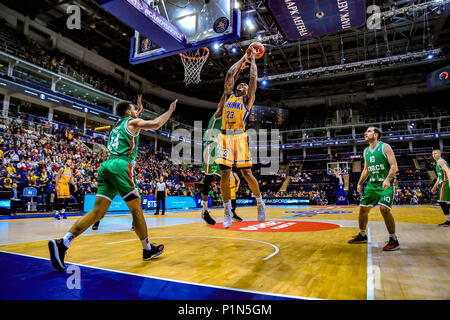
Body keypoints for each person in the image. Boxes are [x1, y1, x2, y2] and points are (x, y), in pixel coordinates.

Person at [48, 95, 177, 272]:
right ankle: (147, 249)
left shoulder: (117, 126)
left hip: (106, 165)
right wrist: (170, 110)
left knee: (97, 213)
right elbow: (156, 124)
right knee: (136, 209)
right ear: (128, 112)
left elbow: (130, 122)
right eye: (133, 109)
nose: (136, 111)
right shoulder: (132, 123)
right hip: (121, 165)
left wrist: (137, 110)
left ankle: (63, 243)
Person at [214, 47, 266, 228]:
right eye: (240, 84)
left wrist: (253, 59)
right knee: (224, 174)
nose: (242, 85)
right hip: (224, 137)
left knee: (246, 173)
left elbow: (253, 79)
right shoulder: (227, 96)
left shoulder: (247, 100)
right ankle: (227, 210)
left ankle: (260, 202)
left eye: (244, 86)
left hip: (240, 137)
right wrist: (243, 57)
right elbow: (230, 73)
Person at [349, 127, 400, 251]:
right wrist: (359, 183)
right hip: (372, 184)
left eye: (369, 131)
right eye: (365, 131)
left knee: (384, 210)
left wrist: (387, 179)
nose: (366, 133)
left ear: (376, 135)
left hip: (386, 182)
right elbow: (366, 170)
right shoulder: (366, 151)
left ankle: (394, 239)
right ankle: (362, 235)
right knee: (363, 210)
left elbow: (394, 166)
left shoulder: (385, 147)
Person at [199, 112, 223, 225]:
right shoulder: (218, 114)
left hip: (218, 148)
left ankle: (229, 210)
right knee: (207, 180)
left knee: (225, 173)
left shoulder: (227, 118)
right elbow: (222, 103)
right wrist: (227, 94)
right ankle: (204, 211)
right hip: (211, 147)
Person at [431, 149, 450, 227]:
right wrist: (435, 187)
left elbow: (448, 171)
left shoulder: (440, 161)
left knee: (442, 202)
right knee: (445, 202)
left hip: (445, 183)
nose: (433, 155)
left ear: (440, 154)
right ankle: (448, 220)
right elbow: (439, 176)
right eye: (432, 154)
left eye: (435, 153)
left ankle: (448, 220)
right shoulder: (437, 163)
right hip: (443, 183)